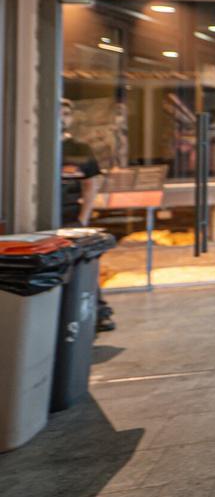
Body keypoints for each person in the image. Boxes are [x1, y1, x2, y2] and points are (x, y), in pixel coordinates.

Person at [60, 98, 115, 332]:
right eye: (57, 112)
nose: (61, 118)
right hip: (40, 216)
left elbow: (90, 185)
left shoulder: (79, 149)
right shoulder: (34, 145)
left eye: (65, 113)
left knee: (83, 264)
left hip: (69, 216)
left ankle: (99, 312)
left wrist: (83, 218)